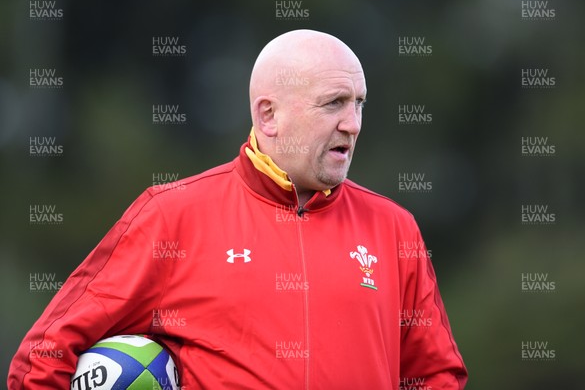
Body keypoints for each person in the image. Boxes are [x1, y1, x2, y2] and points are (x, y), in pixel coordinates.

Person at [8, 29, 467, 389]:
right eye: (334, 104)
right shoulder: (172, 217)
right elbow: (42, 358)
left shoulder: (394, 228)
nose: (353, 123)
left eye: (359, 104)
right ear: (268, 115)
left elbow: (437, 376)